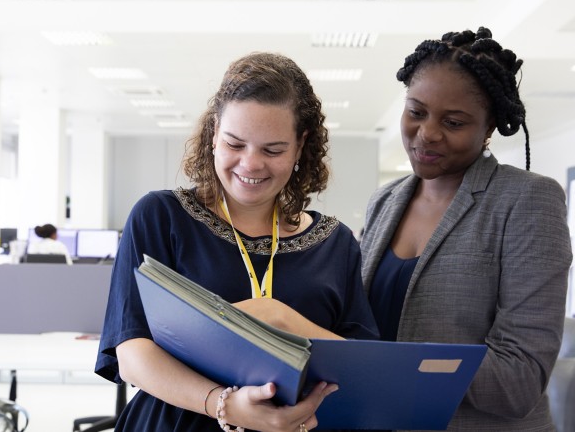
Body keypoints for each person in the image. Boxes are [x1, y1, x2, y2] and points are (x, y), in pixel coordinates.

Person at [95, 52, 379, 432]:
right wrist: (224, 405)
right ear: (214, 134)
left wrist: (279, 318)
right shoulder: (161, 217)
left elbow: (363, 367)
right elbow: (132, 353)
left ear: (300, 145)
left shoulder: (336, 243)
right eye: (235, 144)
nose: (250, 164)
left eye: (273, 150)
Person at [360, 26, 573, 430]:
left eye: (454, 122)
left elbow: (519, 379)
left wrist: (387, 364)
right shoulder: (384, 202)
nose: (426, 134)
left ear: (488, 128)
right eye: (416, 112)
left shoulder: (526, 201)